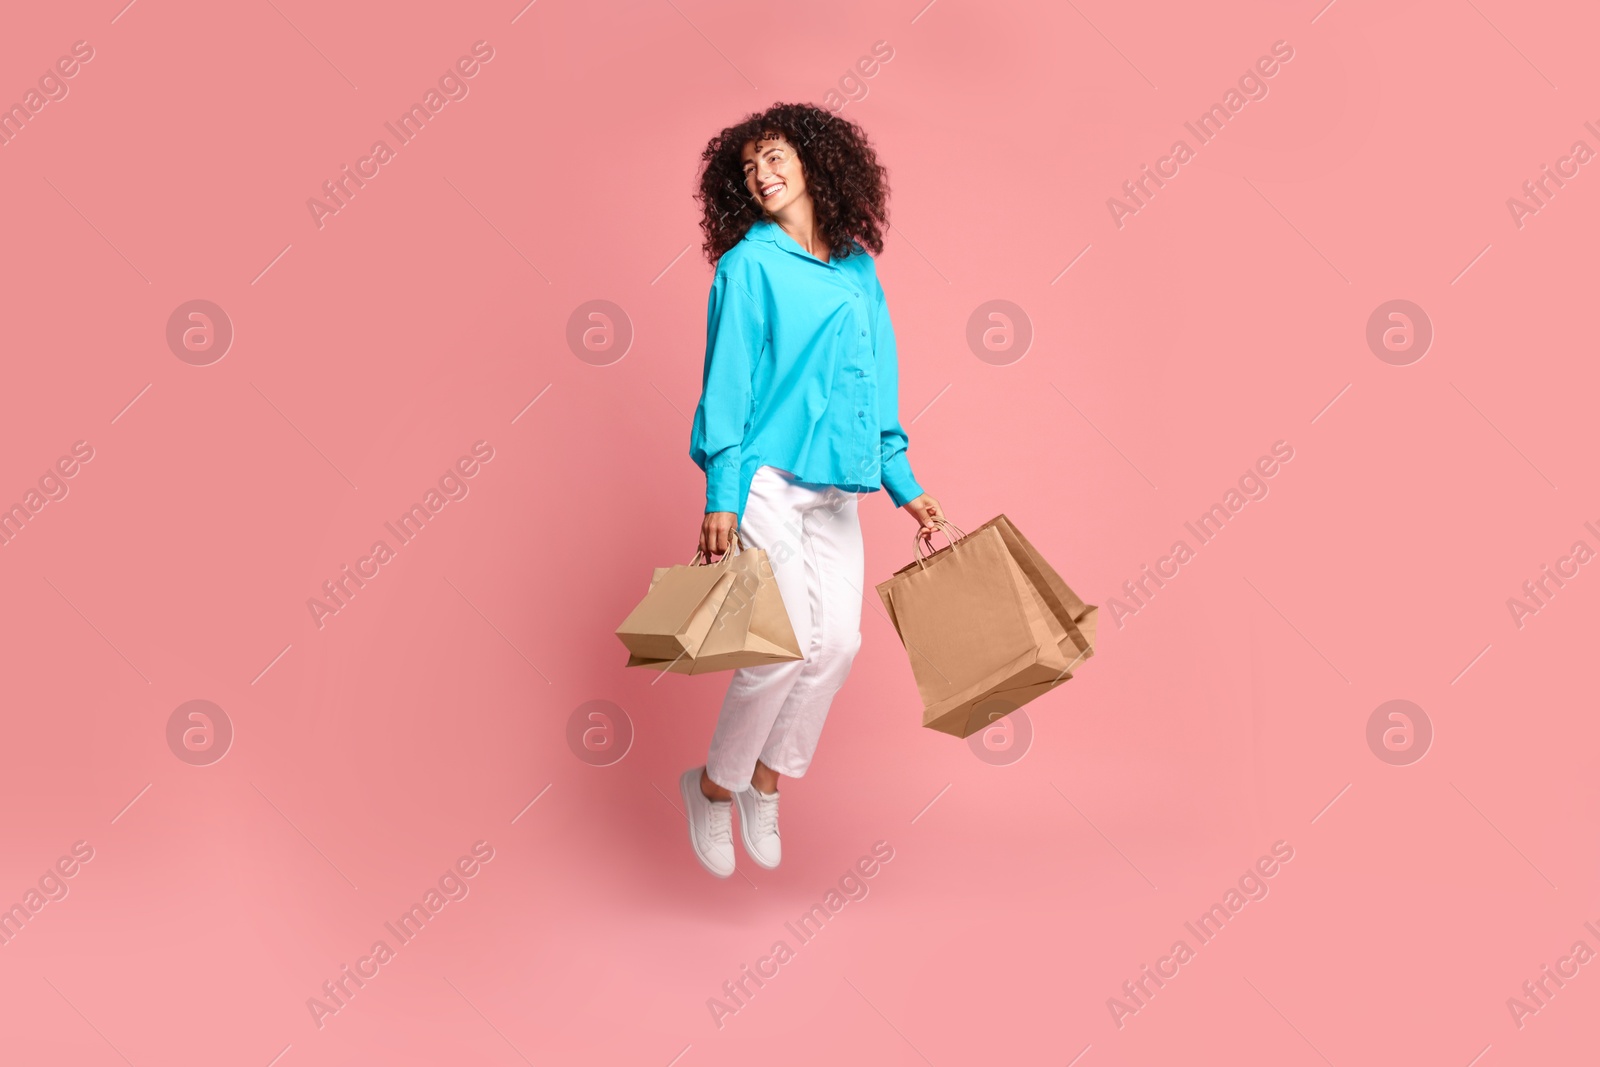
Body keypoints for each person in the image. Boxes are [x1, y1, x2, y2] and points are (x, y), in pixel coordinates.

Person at [679, 102, 943, 878]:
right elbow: (726, 384)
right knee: (780, 645)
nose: (761, 174)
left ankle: (766, 781)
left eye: (774, 157)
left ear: (814, 162)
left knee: (839, 646)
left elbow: (876, 383)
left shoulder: (858, 266)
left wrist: (907, 485)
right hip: (764, 475)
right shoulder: (748, 265)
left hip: (838, 481)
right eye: (750, 165)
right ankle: (713, 787)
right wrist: (722, 492)